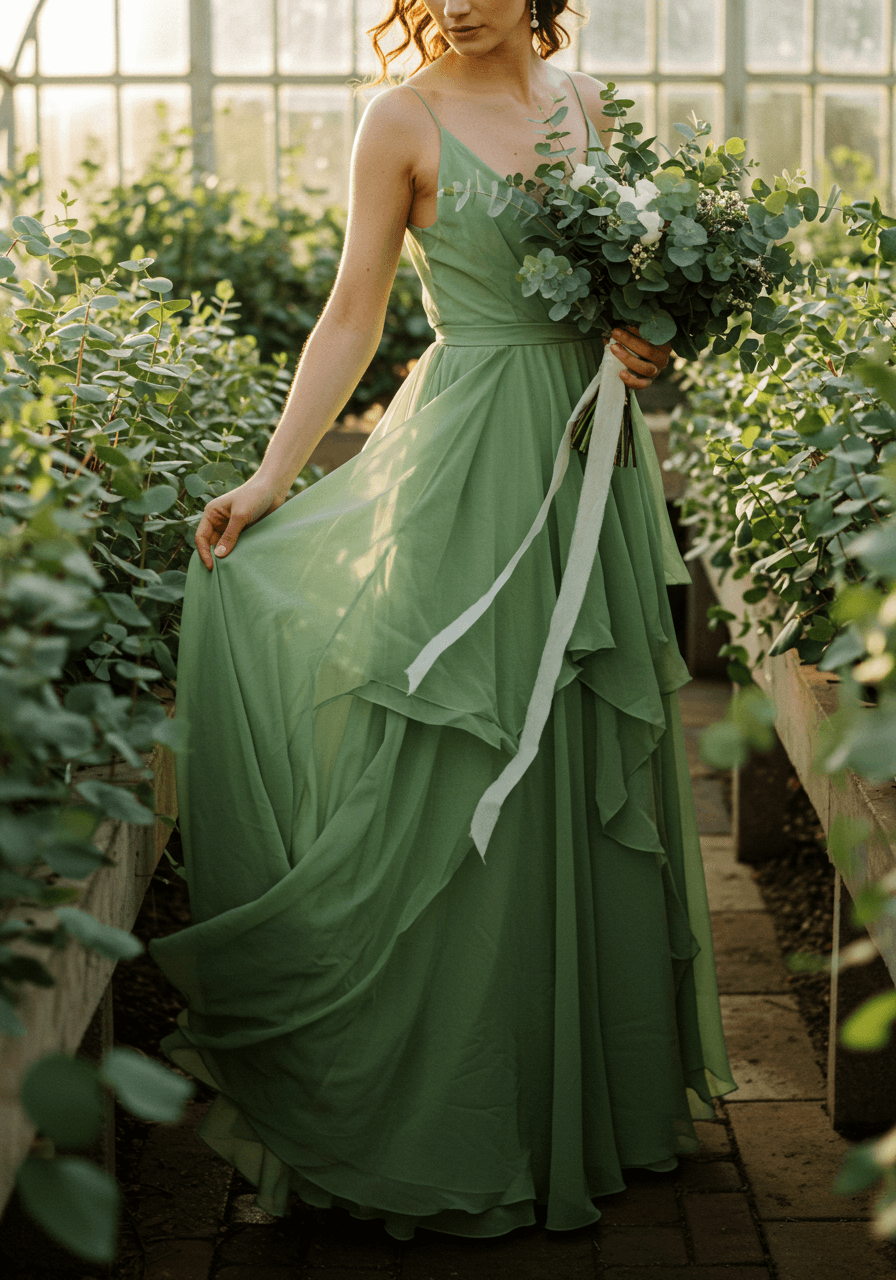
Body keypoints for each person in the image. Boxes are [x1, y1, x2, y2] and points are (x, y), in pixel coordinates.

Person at [150, 0, 736, 1242]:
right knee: (454, 750)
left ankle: (578, 1103)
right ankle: (427, 1101)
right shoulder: (399, 117)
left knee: (577, 756)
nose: (452, 2)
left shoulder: (589, 106)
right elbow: (352, 313)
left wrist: (643, 343)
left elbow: (625, 307)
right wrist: (267, 479)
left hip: (586, 464)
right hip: (467, 465)